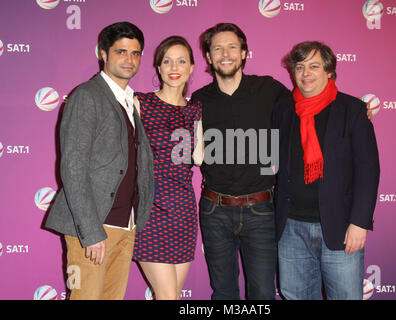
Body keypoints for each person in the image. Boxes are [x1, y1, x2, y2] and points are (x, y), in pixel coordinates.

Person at [45, 22, 155, 300]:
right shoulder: (86, 96)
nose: (129, 59)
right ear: (103, 54)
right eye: (121, 51)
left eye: (136, 53)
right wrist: (91, 232)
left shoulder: (131, 102)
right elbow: (73, 168)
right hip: (93, 229)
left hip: (124, 226)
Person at [191, 23, 290, 300]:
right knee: (223, 293)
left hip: (260, 210)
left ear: (245, 53)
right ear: (208, 57)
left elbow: (307, 107)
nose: (226, 54)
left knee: (262, 294)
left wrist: (351, 109)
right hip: (214, 210)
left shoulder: (269, 89)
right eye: (217, 48)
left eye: (232, 47)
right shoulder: (199, 99)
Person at [274, 41, 380, 300]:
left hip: (340, 227)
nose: (305, 73)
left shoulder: (352, 110)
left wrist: (359, 222)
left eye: (314, 66)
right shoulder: (284, 109)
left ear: (329, 72)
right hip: (291, 228)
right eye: (299, 67)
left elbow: (368, 170)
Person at [132, 36, 203, 300]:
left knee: (171, 295)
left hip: (184, 210)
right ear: (158, 68)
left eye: (182, 61)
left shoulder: (195, 112)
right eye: (167, 61)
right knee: (168, 295)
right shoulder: (140, 103)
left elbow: (199, 158)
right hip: (150, 209)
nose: (174, 67)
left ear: (192, 67)